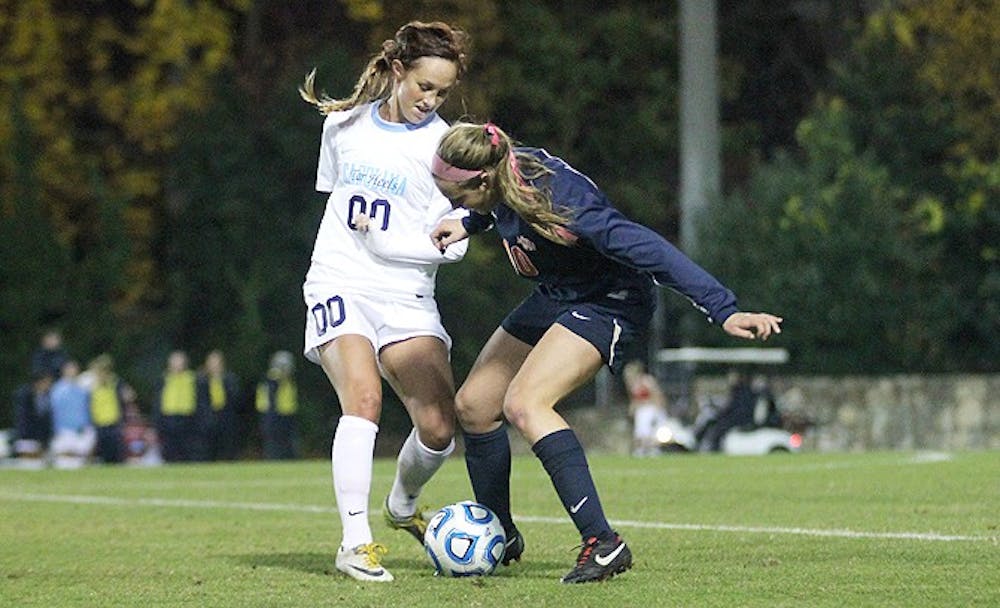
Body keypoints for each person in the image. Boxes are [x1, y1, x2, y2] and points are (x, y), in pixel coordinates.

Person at [428, 121, 784, 583]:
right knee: (474, 406)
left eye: (457, 198)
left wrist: (723, 309)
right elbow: (493, 209)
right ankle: (501, 535)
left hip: (610, 300)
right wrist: (468, 221)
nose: (451, 205)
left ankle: (603, 543)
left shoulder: (565, 203)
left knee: (526, 403)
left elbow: (652, 250)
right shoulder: (501, 171)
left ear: (482, 180)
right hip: (559, 292)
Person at [297, 20, 471, 582]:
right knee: (364, 399)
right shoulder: (342, 126)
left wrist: (456, 231)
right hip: (340, 280)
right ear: (398, 72)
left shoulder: (445, 147)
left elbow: (456, 227)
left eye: (442, 92)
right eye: (424, 86)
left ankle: (401, 504)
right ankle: (354, 542)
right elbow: (336, 204)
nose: (431, 100)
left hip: (408, 293)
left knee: (440, 427)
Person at [154, 350, 201, 462]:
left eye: (179, 362)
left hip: (187, 416)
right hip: (168, 416)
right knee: (169, 447)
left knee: (187, 447)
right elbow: (157, 400)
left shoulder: (192, 378)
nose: (177, 365)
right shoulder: (164, 378)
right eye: (175, 362)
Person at [49, 359, 96, 468]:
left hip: (82, 429)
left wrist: (88, 425)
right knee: (64, 460)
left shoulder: (83, 389)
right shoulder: (57, 389)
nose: (72, 371)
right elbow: (54, 411)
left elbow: (86, 409)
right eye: (69, 369)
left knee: (80, 460)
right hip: (64, 430)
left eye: (74, 369)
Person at [255, 350, 299, 460]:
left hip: (286, 414)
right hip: (274, 415)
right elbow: (270, 400)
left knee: (286, 442)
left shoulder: (286, 380)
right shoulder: (272, 380)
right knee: (274, 443)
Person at [197, 350, 241, 460]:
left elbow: (236, 398)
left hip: (226, 417)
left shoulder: (230, 379)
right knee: (208, 448)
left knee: (226, 447)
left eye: (217, 362)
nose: (214, 365)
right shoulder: (202, 380)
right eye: (212, 362)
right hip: (208, 418)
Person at [84, 354, 127, 464]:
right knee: (103, 454)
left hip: (114, 423)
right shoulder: (92, 388)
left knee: (117, 453)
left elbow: (127, 396)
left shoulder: (115, 384)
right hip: (99, 424)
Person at [622, 360, 669, 457]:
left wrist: (658, 410)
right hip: (642, 410)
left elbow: (657, 395)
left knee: (652, 431)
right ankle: (641, 450)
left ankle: (652, 449)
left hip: (652, 409)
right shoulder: (632, 385)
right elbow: (634, 400)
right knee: (641, 431)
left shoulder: (647, 381)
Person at [12, 371, 54, 467]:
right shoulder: (25, 395)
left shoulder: (47, 396)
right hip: (27, 435)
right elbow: (22, 418)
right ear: (39, 382)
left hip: (41, 436)